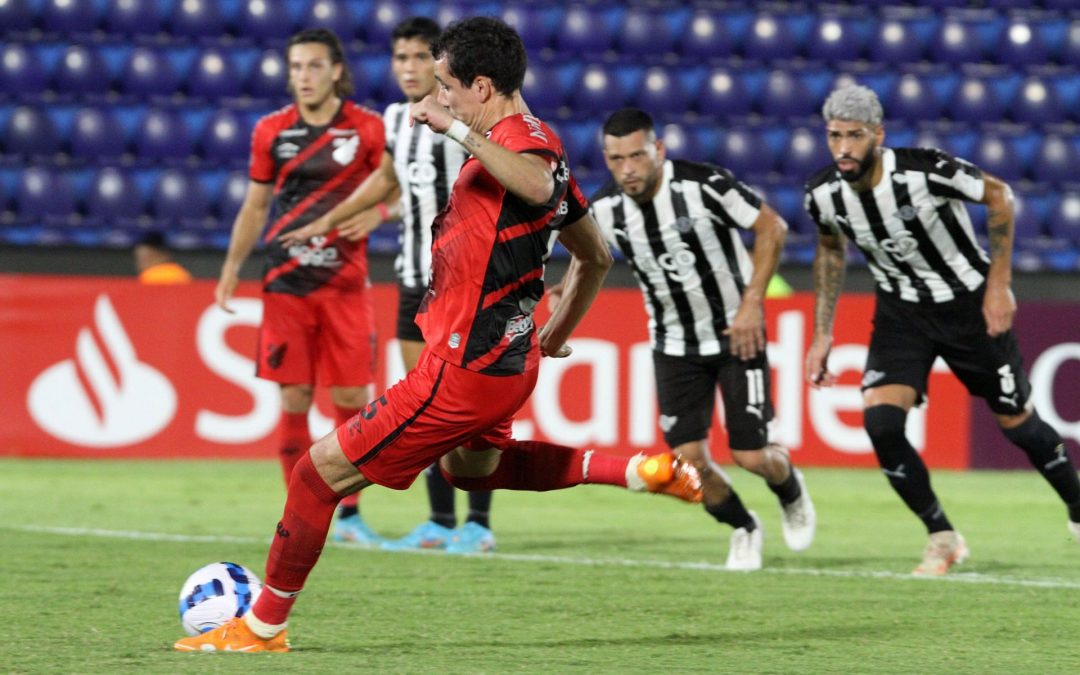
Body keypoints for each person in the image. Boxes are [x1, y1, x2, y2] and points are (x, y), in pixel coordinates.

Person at [175, 17, 703, 654]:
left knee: (316, 476)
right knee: (471, 471)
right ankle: (638, 470)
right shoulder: (542, 141)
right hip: (510, 363)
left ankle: (261, 628)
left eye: (447, 85)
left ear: (481, 87)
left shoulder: (523, 152)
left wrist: (452, 127)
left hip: (462, 368)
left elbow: (538, 186)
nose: (439, 95)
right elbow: (595, 257)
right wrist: (552, 335)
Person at [804, 84, 1080, 576]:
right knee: (881, 423)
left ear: (878, 135)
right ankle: (942, 537)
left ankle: (1077, 504)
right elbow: (829, 249)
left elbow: (999, 195)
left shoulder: (923, 171)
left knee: (1017, 423)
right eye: (834, 136)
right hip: (902, 314)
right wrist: (822, 332)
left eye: (855, 135)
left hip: (968, 306)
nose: (843, 147)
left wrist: (999, 285)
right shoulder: (823, 194)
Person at [278, 17, 495, 554]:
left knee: (468, 405)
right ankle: (440, 521)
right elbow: (390, 180)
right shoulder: (397, 119)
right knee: (428, 406)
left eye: (420, 57)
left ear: (440, 64)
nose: (409, 67)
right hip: (412, 278)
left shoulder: (466, 117)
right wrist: (333, 218)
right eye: (400, 58)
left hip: (464, 281)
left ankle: (478, 523)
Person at [582, 108, 816, 571]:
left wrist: (752, 304)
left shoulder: (703, 185)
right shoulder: (605, 209)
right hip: (673, 344)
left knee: (751, 456)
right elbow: (589, 259)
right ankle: (744, 527)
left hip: (735, 335)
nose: (627, 169)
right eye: (616, 159)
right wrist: (566, 291)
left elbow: (772, 226)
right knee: (687, 464)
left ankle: (789, 488)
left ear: (658, 150)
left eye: (636, 156)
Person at [213, 28, 385, 546]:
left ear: (336, 71)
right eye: (295, 67)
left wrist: (380, 212)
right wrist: (231, 267)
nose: (303, 77)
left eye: (313, 66)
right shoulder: (271, 130)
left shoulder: (368, 128)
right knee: (295, 396)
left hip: (345, 282)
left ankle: (349, 513)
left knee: (352, 396)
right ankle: (301, 514)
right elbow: (255, 206)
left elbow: (401, 187)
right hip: (286, 282)